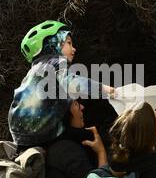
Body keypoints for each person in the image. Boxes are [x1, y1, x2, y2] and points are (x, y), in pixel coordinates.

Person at [8, 20, 115, 148]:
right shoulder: (55, 62)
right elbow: (71, 83)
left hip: (20, 134)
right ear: (53, 44)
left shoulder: (35, 70)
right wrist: (104, 89)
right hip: (41, 135)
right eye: (69, 43)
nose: (74, 49)